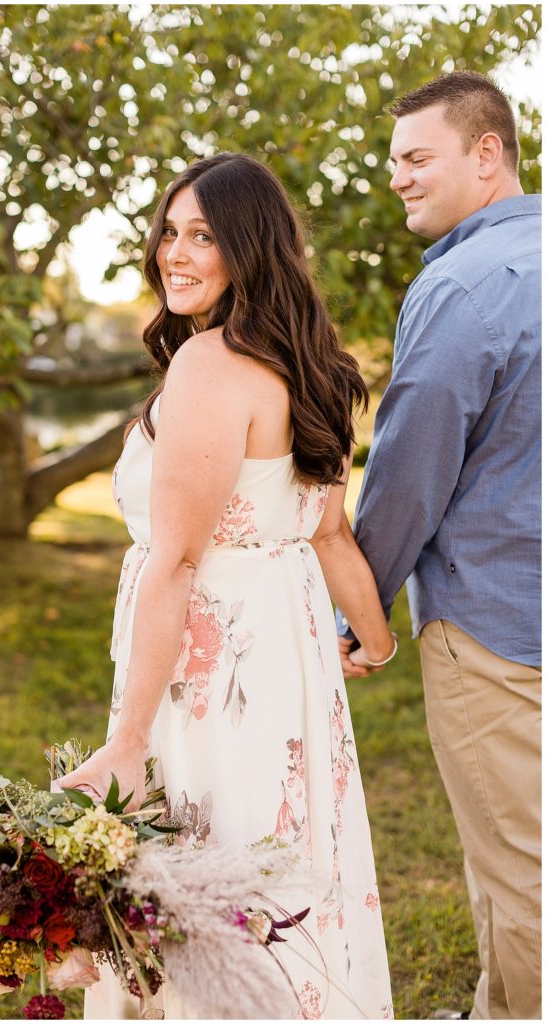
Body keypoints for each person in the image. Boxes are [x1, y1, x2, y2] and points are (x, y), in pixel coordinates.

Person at [53, 152, 395, 1019]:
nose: (176, 251)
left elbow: (176, 561)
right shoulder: (314, 363)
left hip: (212, 672)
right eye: (170, 231)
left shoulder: (209, 364)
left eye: (203, 235)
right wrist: (376, 636)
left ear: (250, 246)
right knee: (275, 854)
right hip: (290, 663)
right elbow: (326, 531)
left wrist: (127, 742)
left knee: (208, 857)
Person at [338, 71, 541, 1020]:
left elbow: (411, 465)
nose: (399, 179)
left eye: (418, 158)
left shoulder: (465, 283)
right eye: (393, 163)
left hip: (496, 630)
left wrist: (357, 604)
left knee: (523, 867)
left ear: (488, 154)